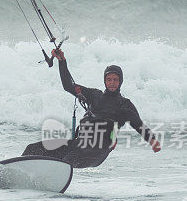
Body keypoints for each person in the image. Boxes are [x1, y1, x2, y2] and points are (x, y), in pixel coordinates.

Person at [22, 48, 161, 168]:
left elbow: (138, 125)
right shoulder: (94, 95)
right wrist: (62, 61)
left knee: (68, 160)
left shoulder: (124, 104)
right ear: (104, 81)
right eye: (109, 79)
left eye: (115, 80)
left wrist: (152, 140)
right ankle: (18, 173)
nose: (112, 83)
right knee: (33, 149)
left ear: (120, 82)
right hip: (79, 143)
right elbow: (69, 86)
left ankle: (49, 182)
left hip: (98, 150)